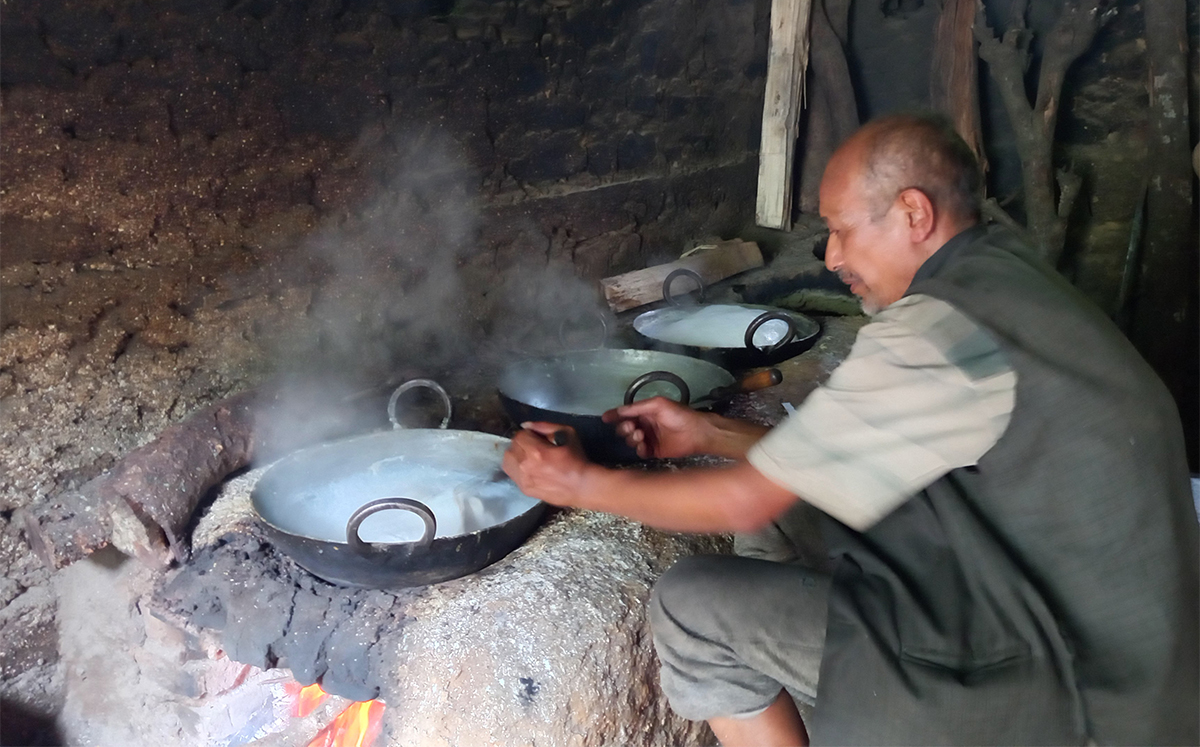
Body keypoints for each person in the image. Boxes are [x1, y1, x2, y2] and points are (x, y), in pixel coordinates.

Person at [502, 113, 1199, 745]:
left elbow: (747, 498)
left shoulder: (939, 333)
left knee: (689, 605)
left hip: (1068, 694)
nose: (830, 256)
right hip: (1094, 636)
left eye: (842, 228)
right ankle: (826, 679)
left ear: (912, 213)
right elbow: (816, 469)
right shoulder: (999, 277)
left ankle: (873, 696)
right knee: (782, 520)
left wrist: (578, 481)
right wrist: (709, 433)